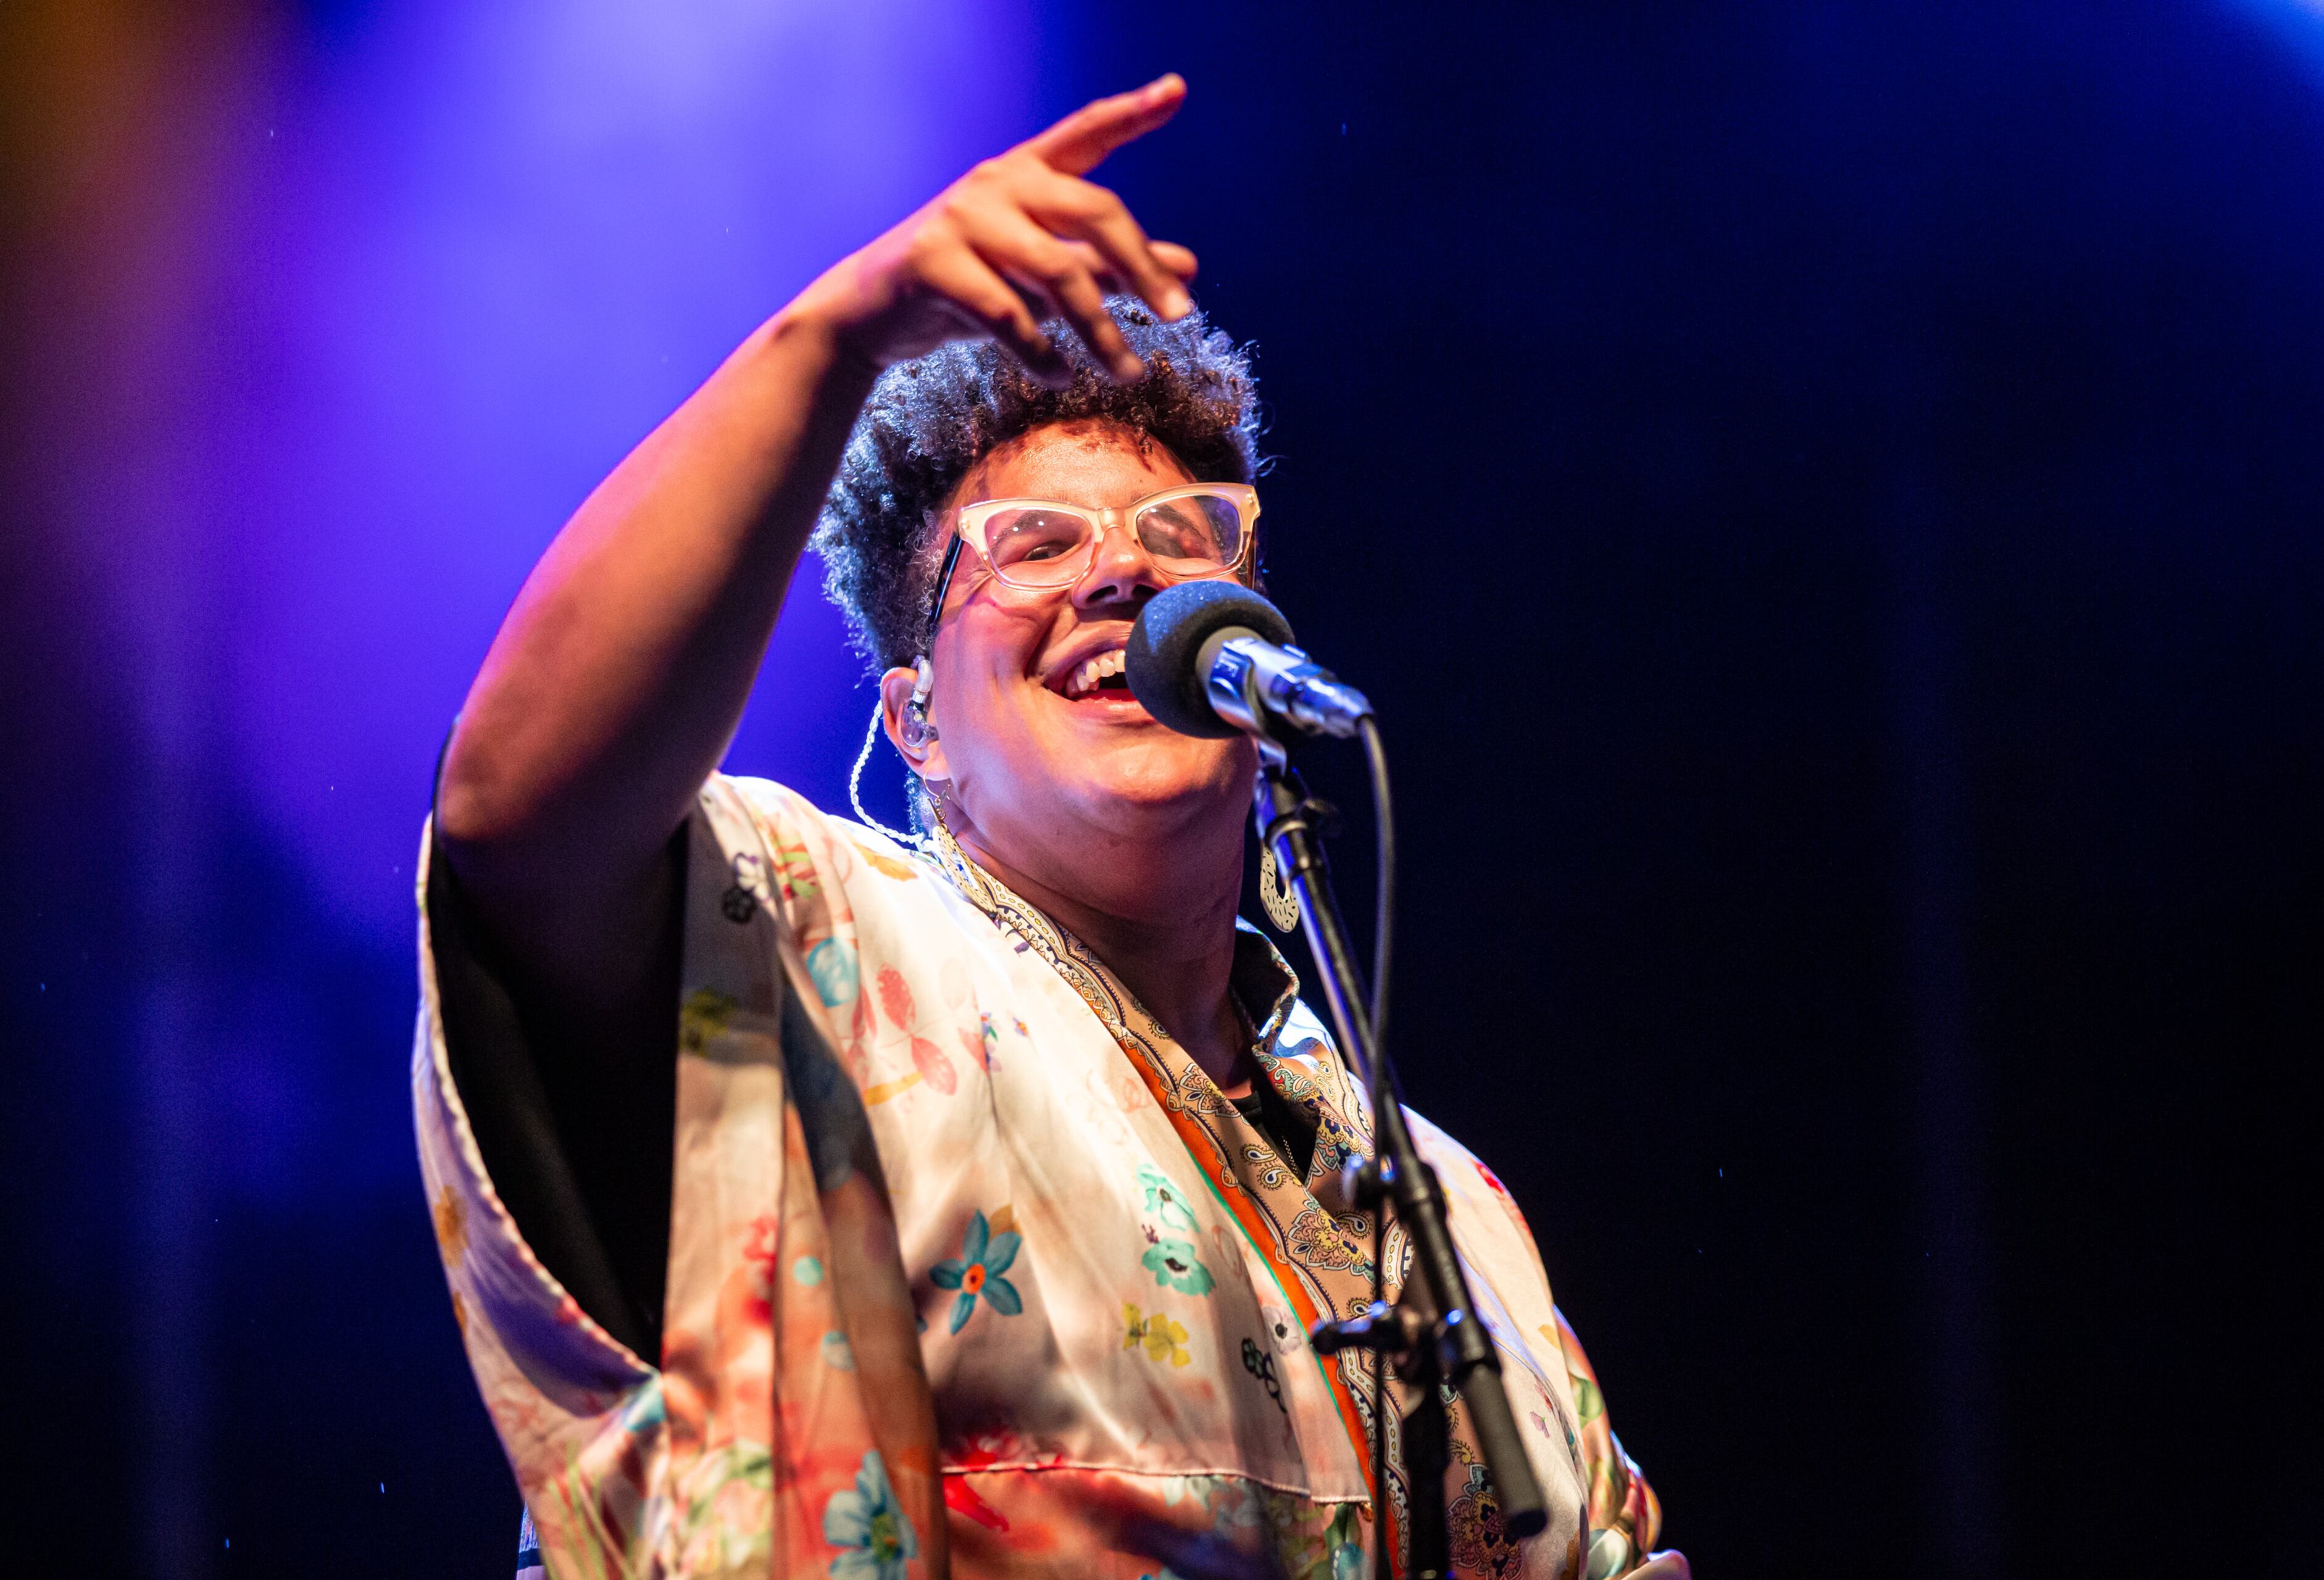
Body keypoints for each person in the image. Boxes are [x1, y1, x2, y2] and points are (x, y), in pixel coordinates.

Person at [415, 75, 1683, 1580]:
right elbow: (520, 820)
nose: (1121, 578)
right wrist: (835, 339)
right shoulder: (820, 954)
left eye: (1182, 541)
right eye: (1032, 545)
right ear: (917, 726)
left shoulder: (1452, 1208)